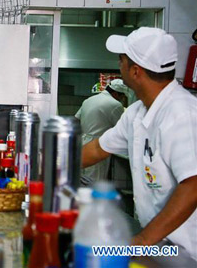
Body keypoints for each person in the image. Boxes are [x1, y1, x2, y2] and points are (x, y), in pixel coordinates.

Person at [81, 27, 197, 260]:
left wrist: (142, 241)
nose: (118, 64)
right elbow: (97, 149)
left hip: (186, 251)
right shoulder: (137, 112)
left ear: (135, 71)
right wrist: (49, 162)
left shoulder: (182, 113)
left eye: (121, 60)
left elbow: (193, 185)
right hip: (158, 245)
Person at [75, 79, 128, 185]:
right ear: (115, 93)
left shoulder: (89, 100)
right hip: (98, 145)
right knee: (95, 181)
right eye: (122, 96)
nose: (122, 99)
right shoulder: (115, 104)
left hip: (82, 144)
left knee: (81, 179)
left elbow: (76, 119)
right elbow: (122, 128)